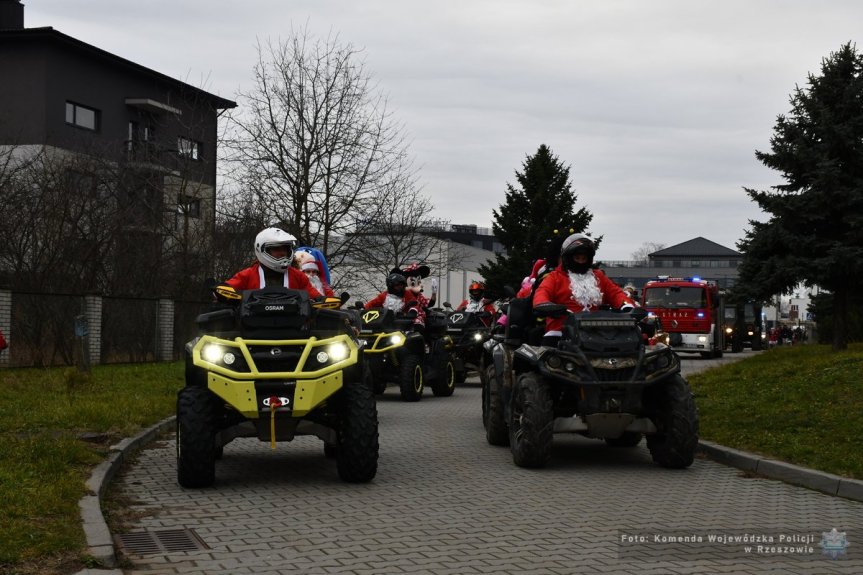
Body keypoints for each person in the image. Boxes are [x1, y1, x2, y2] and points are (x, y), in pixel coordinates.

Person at [533, 233, 635, 345]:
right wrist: (545, 305)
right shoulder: (554, 277)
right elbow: (542, 292)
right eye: (577, 258)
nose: (581, 261)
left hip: (596, 331)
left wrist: (626, 305)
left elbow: (615, 293)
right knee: (547, 356)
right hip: (561, 331)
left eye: (584, 258)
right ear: (567, 258)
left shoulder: (598, 276)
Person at [222, 227, 323, 299]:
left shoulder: (299, 276)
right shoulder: (247, 275)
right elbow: (226, 289)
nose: (282, 252)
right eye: (276, 249)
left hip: (291, 327)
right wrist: (217, 292)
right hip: (255, 326)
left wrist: (326, 300)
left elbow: (316, 297)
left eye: (285, 249)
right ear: (262, 250)